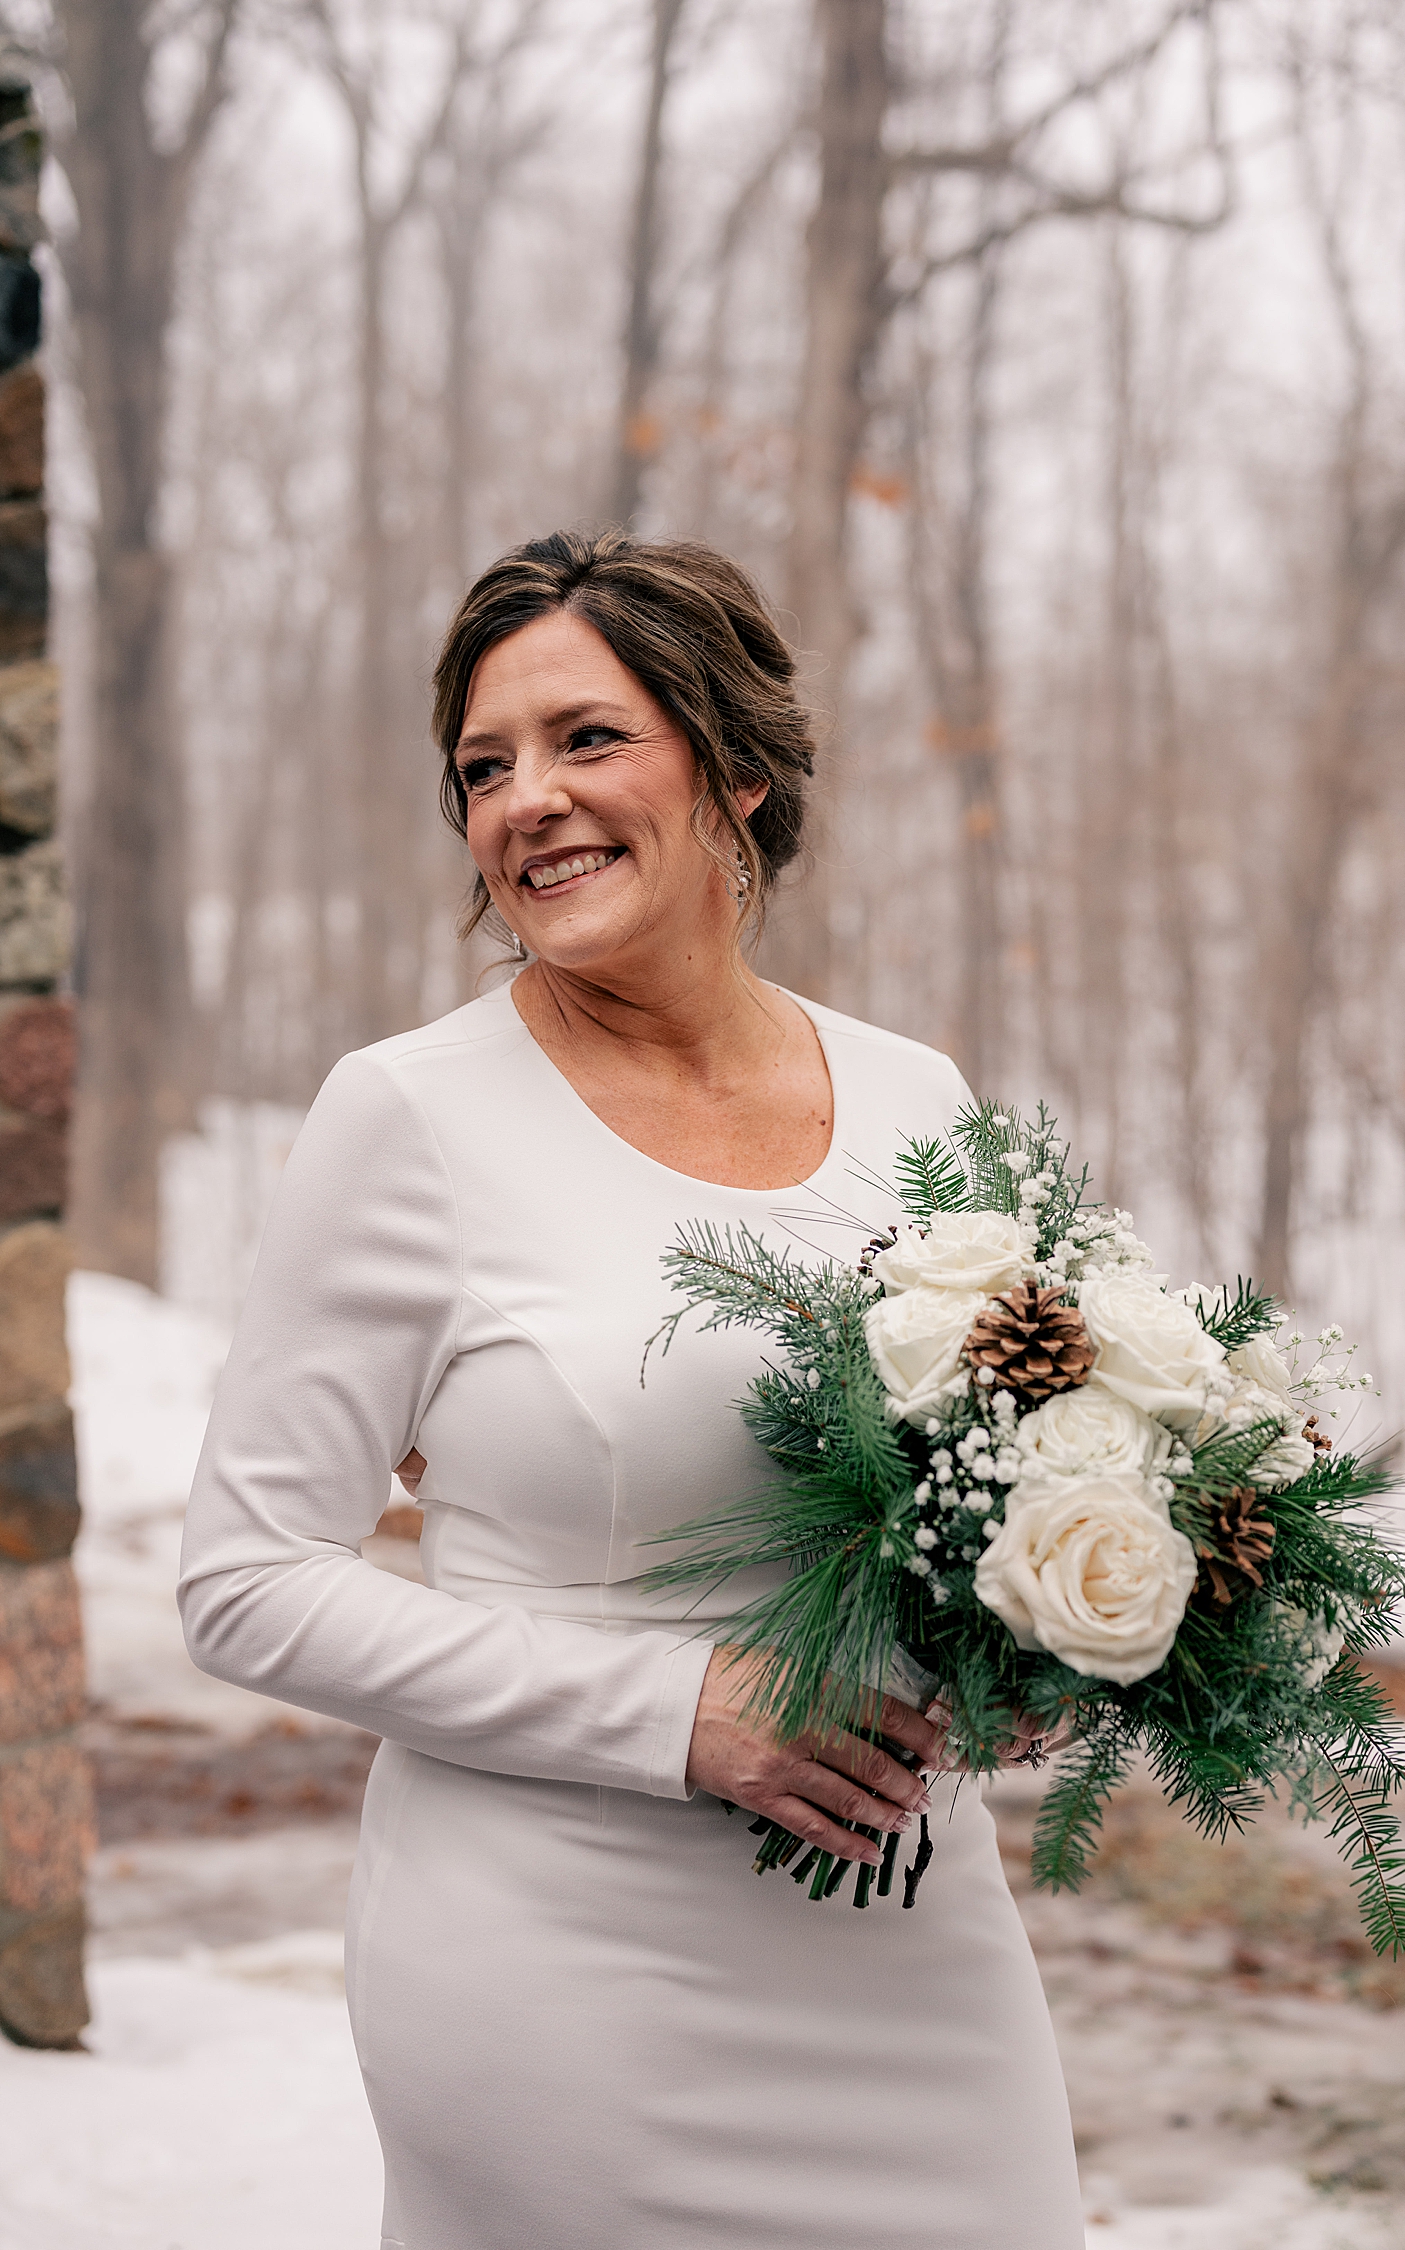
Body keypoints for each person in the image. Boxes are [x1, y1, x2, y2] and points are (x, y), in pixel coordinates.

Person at [179, 529, 1084, 2250]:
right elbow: (246, 1582)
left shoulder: (918, 1098)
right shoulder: (407, 1115)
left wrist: (1045, 1646)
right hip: (567, 1975)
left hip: (915, 1950)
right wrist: (678, 1713)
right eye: (484, 767)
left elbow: (1006, 1478)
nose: (527, 799)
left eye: (587, 738)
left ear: (734, 768)